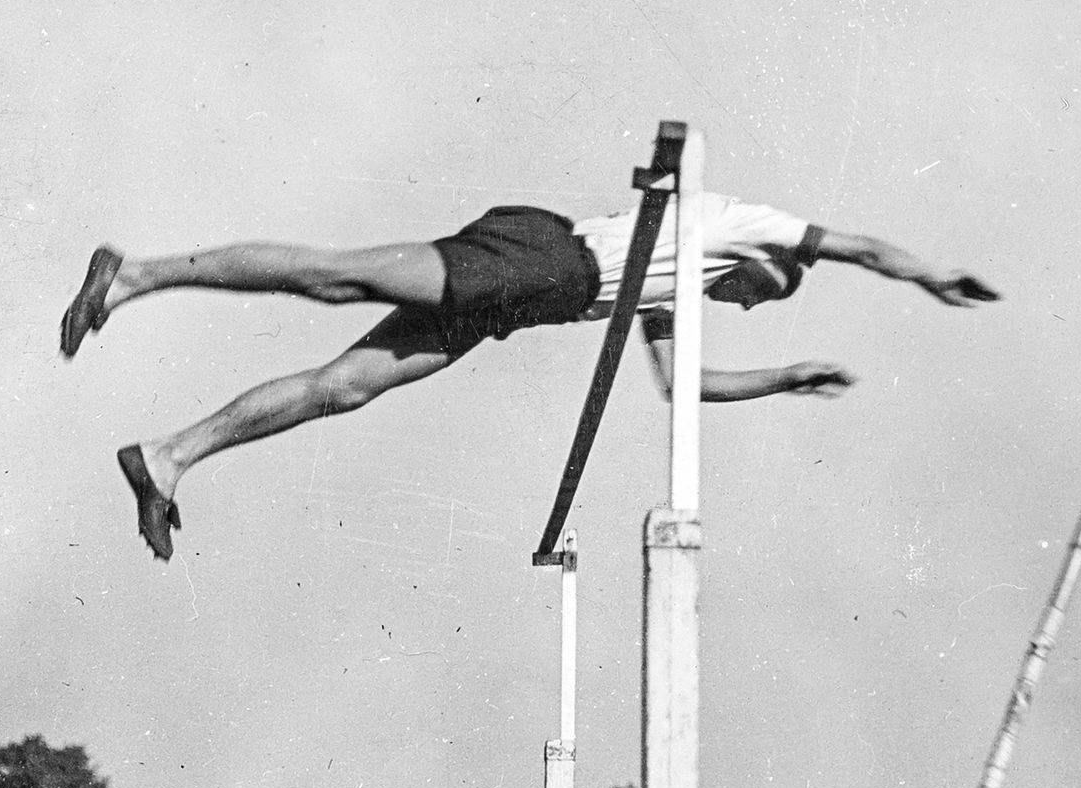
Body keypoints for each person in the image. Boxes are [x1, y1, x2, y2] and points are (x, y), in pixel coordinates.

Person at [59, 193, 1000, 558]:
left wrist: (787, 375)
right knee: (334, 275)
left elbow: (686, 392)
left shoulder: (672, 291)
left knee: (346, 386)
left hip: (531, 298)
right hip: (542, 259)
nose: (749, 305)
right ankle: (134, 274)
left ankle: (170, 456)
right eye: (761, 299)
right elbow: (863, 246)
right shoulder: (741, 226)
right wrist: (929, 274)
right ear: (769, 264)